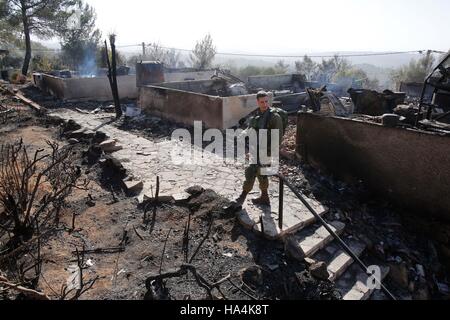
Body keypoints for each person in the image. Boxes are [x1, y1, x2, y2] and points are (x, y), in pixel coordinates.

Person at [234, 91, 284, 207]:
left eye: (266, 101)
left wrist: (269, 154)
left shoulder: (274, 117)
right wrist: (242, 136)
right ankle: (265, 197)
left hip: (265, 151)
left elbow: (277, 137)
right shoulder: (257, 116)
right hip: (255, 150)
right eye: (262, 102)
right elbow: (250, 128)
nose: (265, 104)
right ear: (257, 102)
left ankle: (242, 197)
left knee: (251, 172)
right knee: (261, 174)